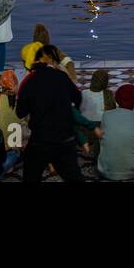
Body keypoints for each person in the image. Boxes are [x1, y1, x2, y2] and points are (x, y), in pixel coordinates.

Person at [15, 44, 84, 182]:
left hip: (40, 141)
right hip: (65, 140)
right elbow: (78, 98)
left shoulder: (28, 82)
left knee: (30, 177)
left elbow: (20, 112)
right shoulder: (62, 77)